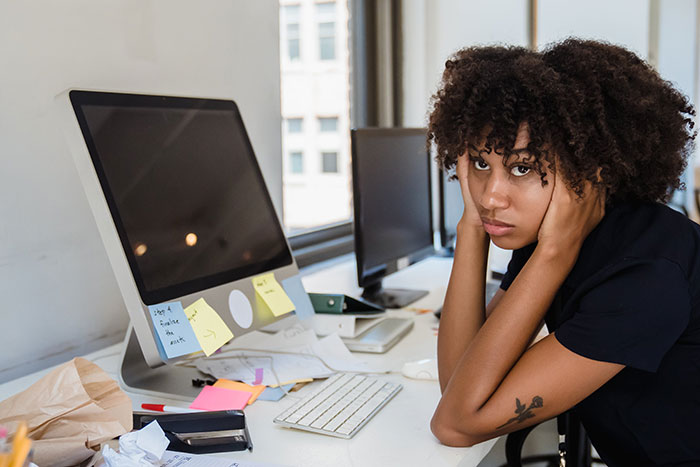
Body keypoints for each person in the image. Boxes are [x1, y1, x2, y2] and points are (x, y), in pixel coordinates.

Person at [427, 38, 699, 466]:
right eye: (480, 164)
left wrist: (554, 253)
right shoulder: (556, 232)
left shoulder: (645, 275)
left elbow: (457, 423)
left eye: (522, 168)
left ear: (591, 171)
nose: (491, 196)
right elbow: (461, 382)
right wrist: (471, 228)